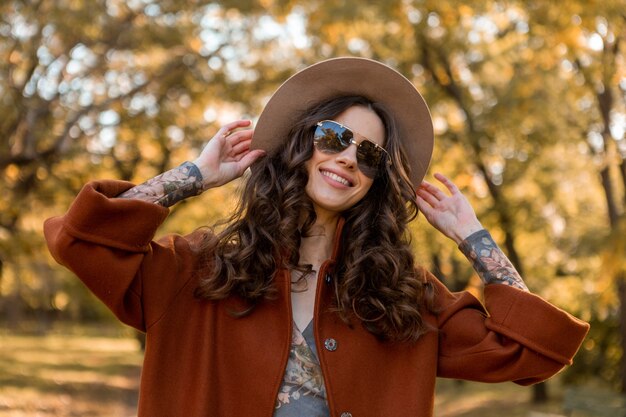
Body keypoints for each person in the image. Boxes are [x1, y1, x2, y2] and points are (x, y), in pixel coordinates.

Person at [44, 57, 589, 417]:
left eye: (370, 155)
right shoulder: (197, 272)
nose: (349, 157)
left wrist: (474, 238)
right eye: (335, 137)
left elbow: (534, 353)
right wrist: (192, 177)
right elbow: (79, 240)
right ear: (304, 146)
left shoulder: (404, 300)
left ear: (376, 181)